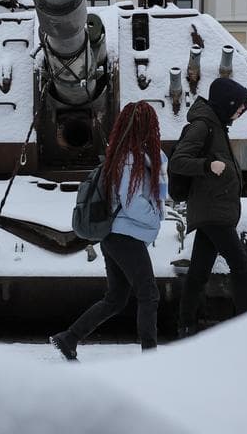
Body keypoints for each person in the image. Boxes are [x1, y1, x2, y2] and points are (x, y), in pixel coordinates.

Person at [50, 100, 169, 360]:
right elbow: (131, 201)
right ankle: (151, 356)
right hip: (125, 237)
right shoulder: (130, 159)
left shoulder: (130, 155)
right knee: (149, 294)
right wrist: (156, 218)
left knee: (115, 299)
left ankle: (68, 338)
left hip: (115, 237)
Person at [169, 77, 247, 338]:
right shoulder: (203, 126)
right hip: (212, 213)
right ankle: (245, 329)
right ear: (226, 102)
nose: (240, 112)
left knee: (198, 273)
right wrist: (207, 165)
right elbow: (178, 161)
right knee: (241, 266)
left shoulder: (218, 127)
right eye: (238, 107)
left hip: (215, 212)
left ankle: (186, 327)